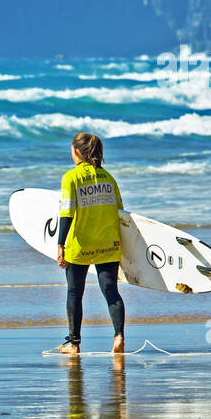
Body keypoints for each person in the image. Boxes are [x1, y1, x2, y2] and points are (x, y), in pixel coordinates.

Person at [56, 132, 125, 356]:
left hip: (81, 244)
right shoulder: (108, 178)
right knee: (111, 291)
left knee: (75, 292)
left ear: (76, 152)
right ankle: (119, 336)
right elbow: (121, 213)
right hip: (109, 243)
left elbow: (66, 213)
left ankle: (73, 343)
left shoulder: (71, 178)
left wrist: (60, 245)